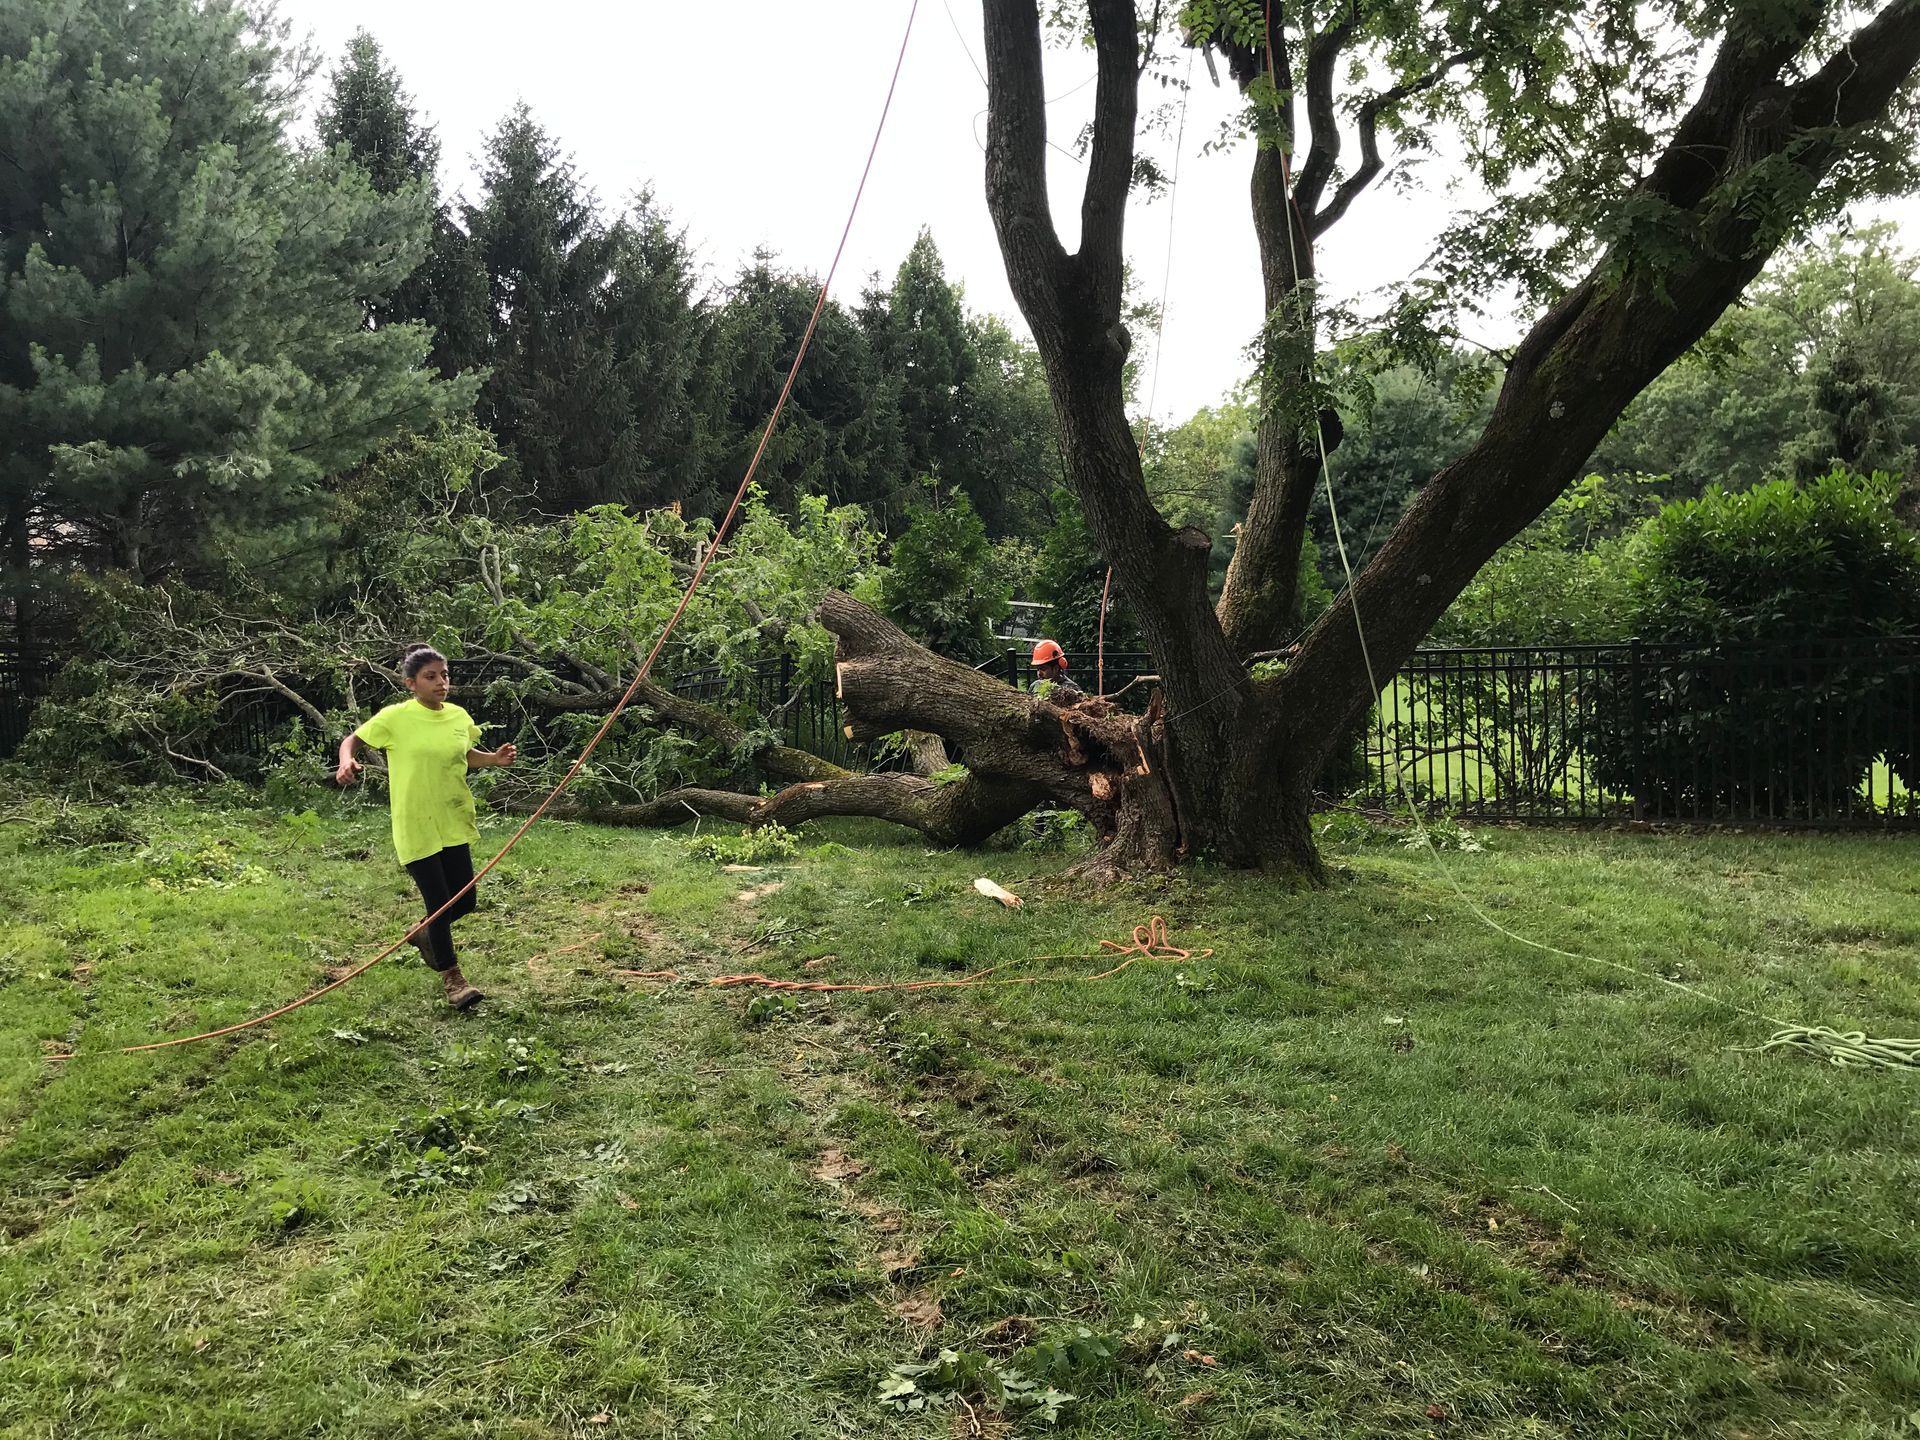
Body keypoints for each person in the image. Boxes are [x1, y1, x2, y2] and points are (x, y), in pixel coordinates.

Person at [336, 645, 516, 1010]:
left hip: (453, 818)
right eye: (430, 676)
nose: (441, 682)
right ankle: (454, 980)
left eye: (444, 675)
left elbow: (464, 756)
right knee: (438, 903)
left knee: (464, 901)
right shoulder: (395, 718)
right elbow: (352, 739)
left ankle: (424, 932)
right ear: (411, 683)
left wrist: (493, 760)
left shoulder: (459, 717)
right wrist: (346, 761)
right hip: (416, 822)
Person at [1030, 638, 1085, 703]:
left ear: (1056, 668)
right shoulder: (1035, 686)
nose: (1039, 673)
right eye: (1038, 669)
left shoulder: (1072, 689)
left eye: (1043, 669)